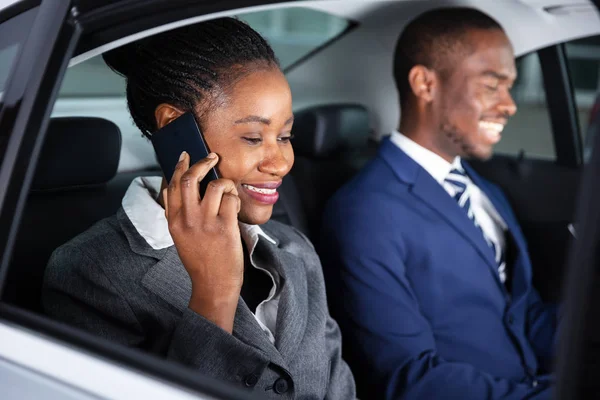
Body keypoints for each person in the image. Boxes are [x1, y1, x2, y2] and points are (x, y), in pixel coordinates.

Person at [42, 17, 355, 399]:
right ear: (176, 129)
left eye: (285, 135)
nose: (281, 162)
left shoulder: (296, 251)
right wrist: (215, 294)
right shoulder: (89, 273)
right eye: (254, 138)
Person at [320, 8, 557, 400]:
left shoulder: (484, 191)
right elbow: (409, 376)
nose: (510, 105)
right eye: (492, 85)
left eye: (510, 87)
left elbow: (523, 314)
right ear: (425, 84)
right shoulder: (366, 213)